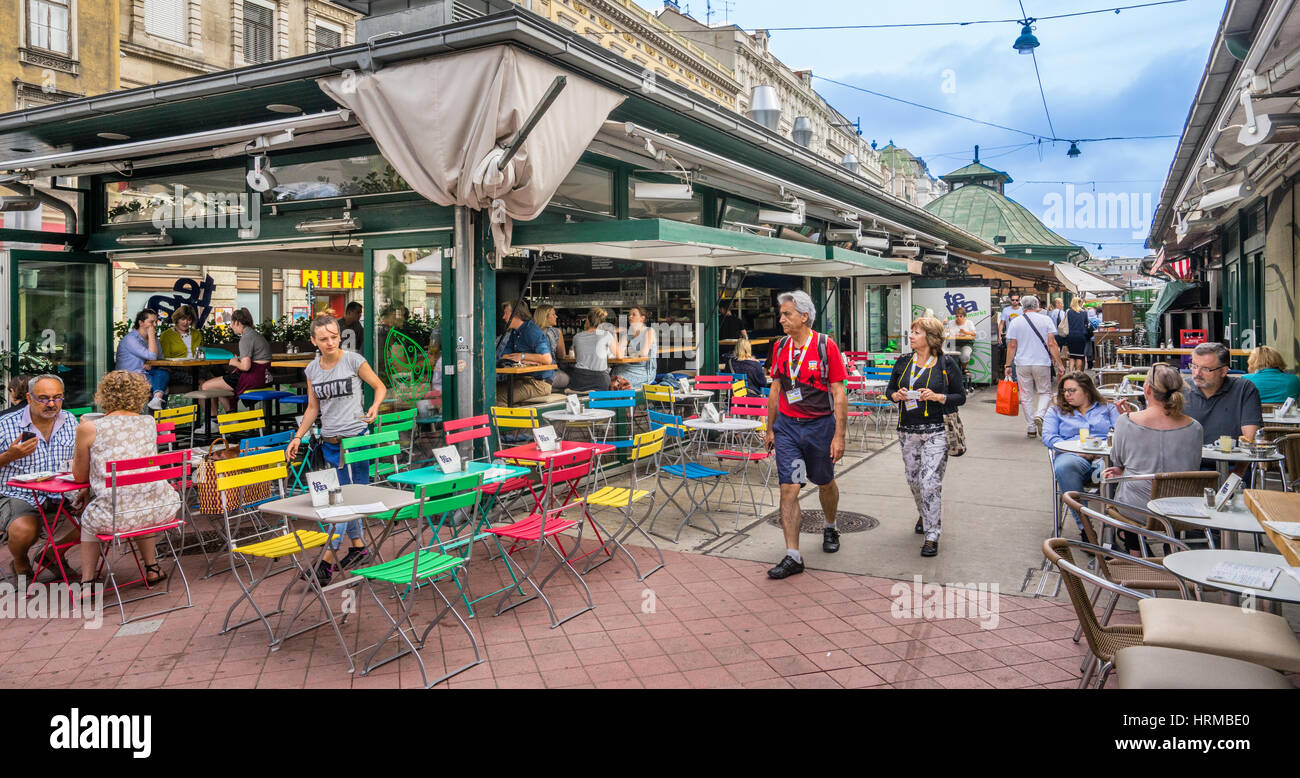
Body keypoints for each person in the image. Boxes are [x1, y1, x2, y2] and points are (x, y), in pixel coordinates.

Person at [286, 315, 387, 585]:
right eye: (324, 338)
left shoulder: (353, 360)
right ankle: (358, 547)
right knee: (340, 499)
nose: (330, 342)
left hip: (355, 442)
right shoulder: (312, 370)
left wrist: (374, 407)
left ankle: (327, 561)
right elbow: (313, 407)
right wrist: (298, 436)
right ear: (313, 341)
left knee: (342, 501)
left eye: (334, 336)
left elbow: (379, 387)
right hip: (329, 443)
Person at [764, 290, 848, 580]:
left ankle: (830, 524)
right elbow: (776, 388)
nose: (781, 319)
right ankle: (793, 555)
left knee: (824, 481)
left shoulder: (826, 346)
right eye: (782, 314)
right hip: (788, 427)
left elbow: (839, 392)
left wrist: (839, 435)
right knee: (789, 487)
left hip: (819, 427)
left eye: (787, 314)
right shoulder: (780, 347)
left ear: (804, 315)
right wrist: (770, 427)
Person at [72, 371, 182, 587]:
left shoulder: (88, 427)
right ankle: (152, 567)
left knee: (90, 519)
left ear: (103, 395)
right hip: (160, 508)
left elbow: (79, 476)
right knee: (137, 494)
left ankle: (87, 581)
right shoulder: (148, 422)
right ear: (140, 395)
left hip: (115, 517)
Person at [886, 317, 967, 557]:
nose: (910, 336)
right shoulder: (903, 362)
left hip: (936, 430)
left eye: (916, 332)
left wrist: (938, 397)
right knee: (914, 480)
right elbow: (890, 390)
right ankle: (925, 513)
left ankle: (932, 533)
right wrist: (897, 395)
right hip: (907, 430)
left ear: (930, 338)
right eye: (911, 331)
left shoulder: (945, 363)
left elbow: (959, 397)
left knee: (930, 482)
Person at [1102, 363, 1204, 534]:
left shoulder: (1126, 421)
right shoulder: (1195, 427)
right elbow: (1192, 466)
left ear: (1147, 389)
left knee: (1121, 486)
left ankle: (1135, 549)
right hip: (1181, 509)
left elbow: (1118, 461)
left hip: (1138, 510)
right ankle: (1169, 546)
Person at [0, 375, 79, 579]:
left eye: (57, 397)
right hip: (19, 493)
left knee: (105, 514)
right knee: (25, 529)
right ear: (29, 397)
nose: (51, 404)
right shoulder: (5, 424)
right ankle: (20, 563)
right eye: (43, 398)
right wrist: (10, 456)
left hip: (64, 491)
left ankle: (53, 553)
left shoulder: (70, 420)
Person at [1041, 371, 1122, 537]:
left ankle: (1114, 528)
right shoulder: (1056, 412)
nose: (1067, 395)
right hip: (1073, 455)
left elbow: (1122, 433)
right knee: (1064, 466)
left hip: (1104, 455)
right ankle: (1086, 528)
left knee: (1114, 469)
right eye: (1064, 391)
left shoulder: (1108, 409)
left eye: (1072, 390)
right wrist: (1077, 449)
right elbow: (1049, 437)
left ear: (1086, 390)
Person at [1004, 295, 1065, 436]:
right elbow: (1052, 344)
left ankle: (1031, 427)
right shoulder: (1046, 320)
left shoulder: (1015, 322)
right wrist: (1060, 364)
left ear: (1022, 305)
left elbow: (1012, 346)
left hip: (1022, 363)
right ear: (1037, 305)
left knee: (1026, 395)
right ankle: (1040, 414)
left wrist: (1008, 365)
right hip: (1042, 362)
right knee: (1044, 392)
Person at [198, 307, 272, 421]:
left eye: (231, 323)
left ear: (237, 322)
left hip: (251, 378)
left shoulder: (246, 338)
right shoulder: (256, 335)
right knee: (219, 387)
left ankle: (213, 422)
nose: (230, 326)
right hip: (264, 377)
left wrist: (234, 362)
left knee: (205, 386)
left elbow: (246, 367)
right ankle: (232, 418)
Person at [1184, 341, 1263, 446]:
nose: (1197, 373)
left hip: (1231, 459)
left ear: (1223, 371)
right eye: (1194, 366)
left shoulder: (1244, 389)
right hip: (1187, 461)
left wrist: (1236, 462)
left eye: (1205, 369)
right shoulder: (1182, 389)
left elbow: (1249, 440)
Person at [495, 300, 554, 405]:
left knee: (496, 398)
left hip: (539, 384)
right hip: (522, 380)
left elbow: (547, 359)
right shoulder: (514, 332)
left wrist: (522, 356)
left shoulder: (532, 331)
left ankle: (510, 421)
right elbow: (504, 356)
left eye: (506, 313)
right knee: (489, 391)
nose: (503, 317)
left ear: (516, 314)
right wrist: (525, 360)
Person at [115, 308, 168, 411]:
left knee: (163, 373)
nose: (155, 325)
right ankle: (157, 421)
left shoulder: (154, 340)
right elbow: (153, 356)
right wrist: (152, 335)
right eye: (151, 322)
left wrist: (151, 364)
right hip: (130, 376)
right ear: (141, 323)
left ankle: (156, 403)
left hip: (147, 374)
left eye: (156, 322)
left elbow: (160, 359)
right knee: (163, 388)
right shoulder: (130, 339)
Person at [569, 307, 618, 393]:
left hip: (579, 380)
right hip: (599, 381)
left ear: (587, 319)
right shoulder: (606, 335)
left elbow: (577, 358)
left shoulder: (576, 337)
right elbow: (619, 355)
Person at [613, 306, 658, 389]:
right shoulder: (628, 333)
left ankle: (624, 400)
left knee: (616, 381)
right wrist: (615, 333)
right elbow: (618, 352)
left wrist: (627, 351)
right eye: (629, 315)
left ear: (642, 318)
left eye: (634, 315)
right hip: (626, 367)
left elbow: (643, 353)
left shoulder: (649, 331)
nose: (630, 317)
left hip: (643, 371)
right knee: (607, 377)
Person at [533, 304, 569, 391]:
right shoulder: (556, 332)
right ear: (545, 317)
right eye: (553, 314)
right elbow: (561, 355)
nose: (556, 316)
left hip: (531, 374)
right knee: (568, 378)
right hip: (549, 374)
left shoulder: (530, 331)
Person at [944, 306, 978, 374]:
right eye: (957, 316)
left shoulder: (969, 323)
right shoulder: (951, 323)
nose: (958, 318)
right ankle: (951, 372)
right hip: (953, 343)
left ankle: (964, 368)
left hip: (966, 343)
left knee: (965, 355)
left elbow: (974, 334)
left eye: (960, 316)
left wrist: (965, 332)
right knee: (948, 356)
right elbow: (946, 333)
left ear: (964, 316)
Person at [1064, 298, 1090, 372]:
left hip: (1071, 336)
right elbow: (1087, 324)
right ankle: (1078, 372)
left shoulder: (1069, 312)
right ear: (1080, 303)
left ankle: (1071, 372)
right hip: (1081, 336)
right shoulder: (1084, 312)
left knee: (1072, 356)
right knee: (1079, 356)